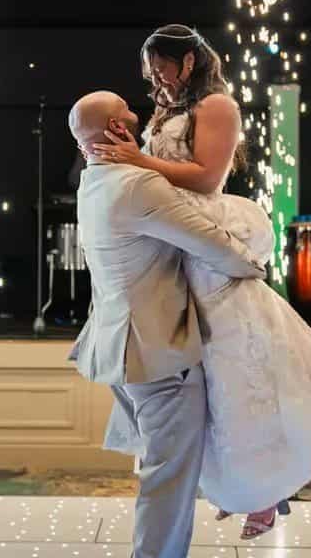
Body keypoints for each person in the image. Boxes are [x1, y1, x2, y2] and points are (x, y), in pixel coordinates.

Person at [94, 24, 311, 540]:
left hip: (199, 228)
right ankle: (232, 484)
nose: (154, 76)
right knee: (202, 384)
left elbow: (207, 177)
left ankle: (264, 489)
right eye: (149, 67)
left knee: (234, 372)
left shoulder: (218, 107)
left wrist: (138, 161)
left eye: (162, 64)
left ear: (189, 63)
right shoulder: (164, 109)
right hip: (168, 234)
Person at [66, 90, 267, 558]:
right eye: (125, 112)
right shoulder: (136, 185)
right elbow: (211, 244)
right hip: (157, 355)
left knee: (167, 468)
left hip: (119, 348)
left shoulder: (92, 182)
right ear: (117, 129)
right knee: (168, 482)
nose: (136, 114)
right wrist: (252, 264)